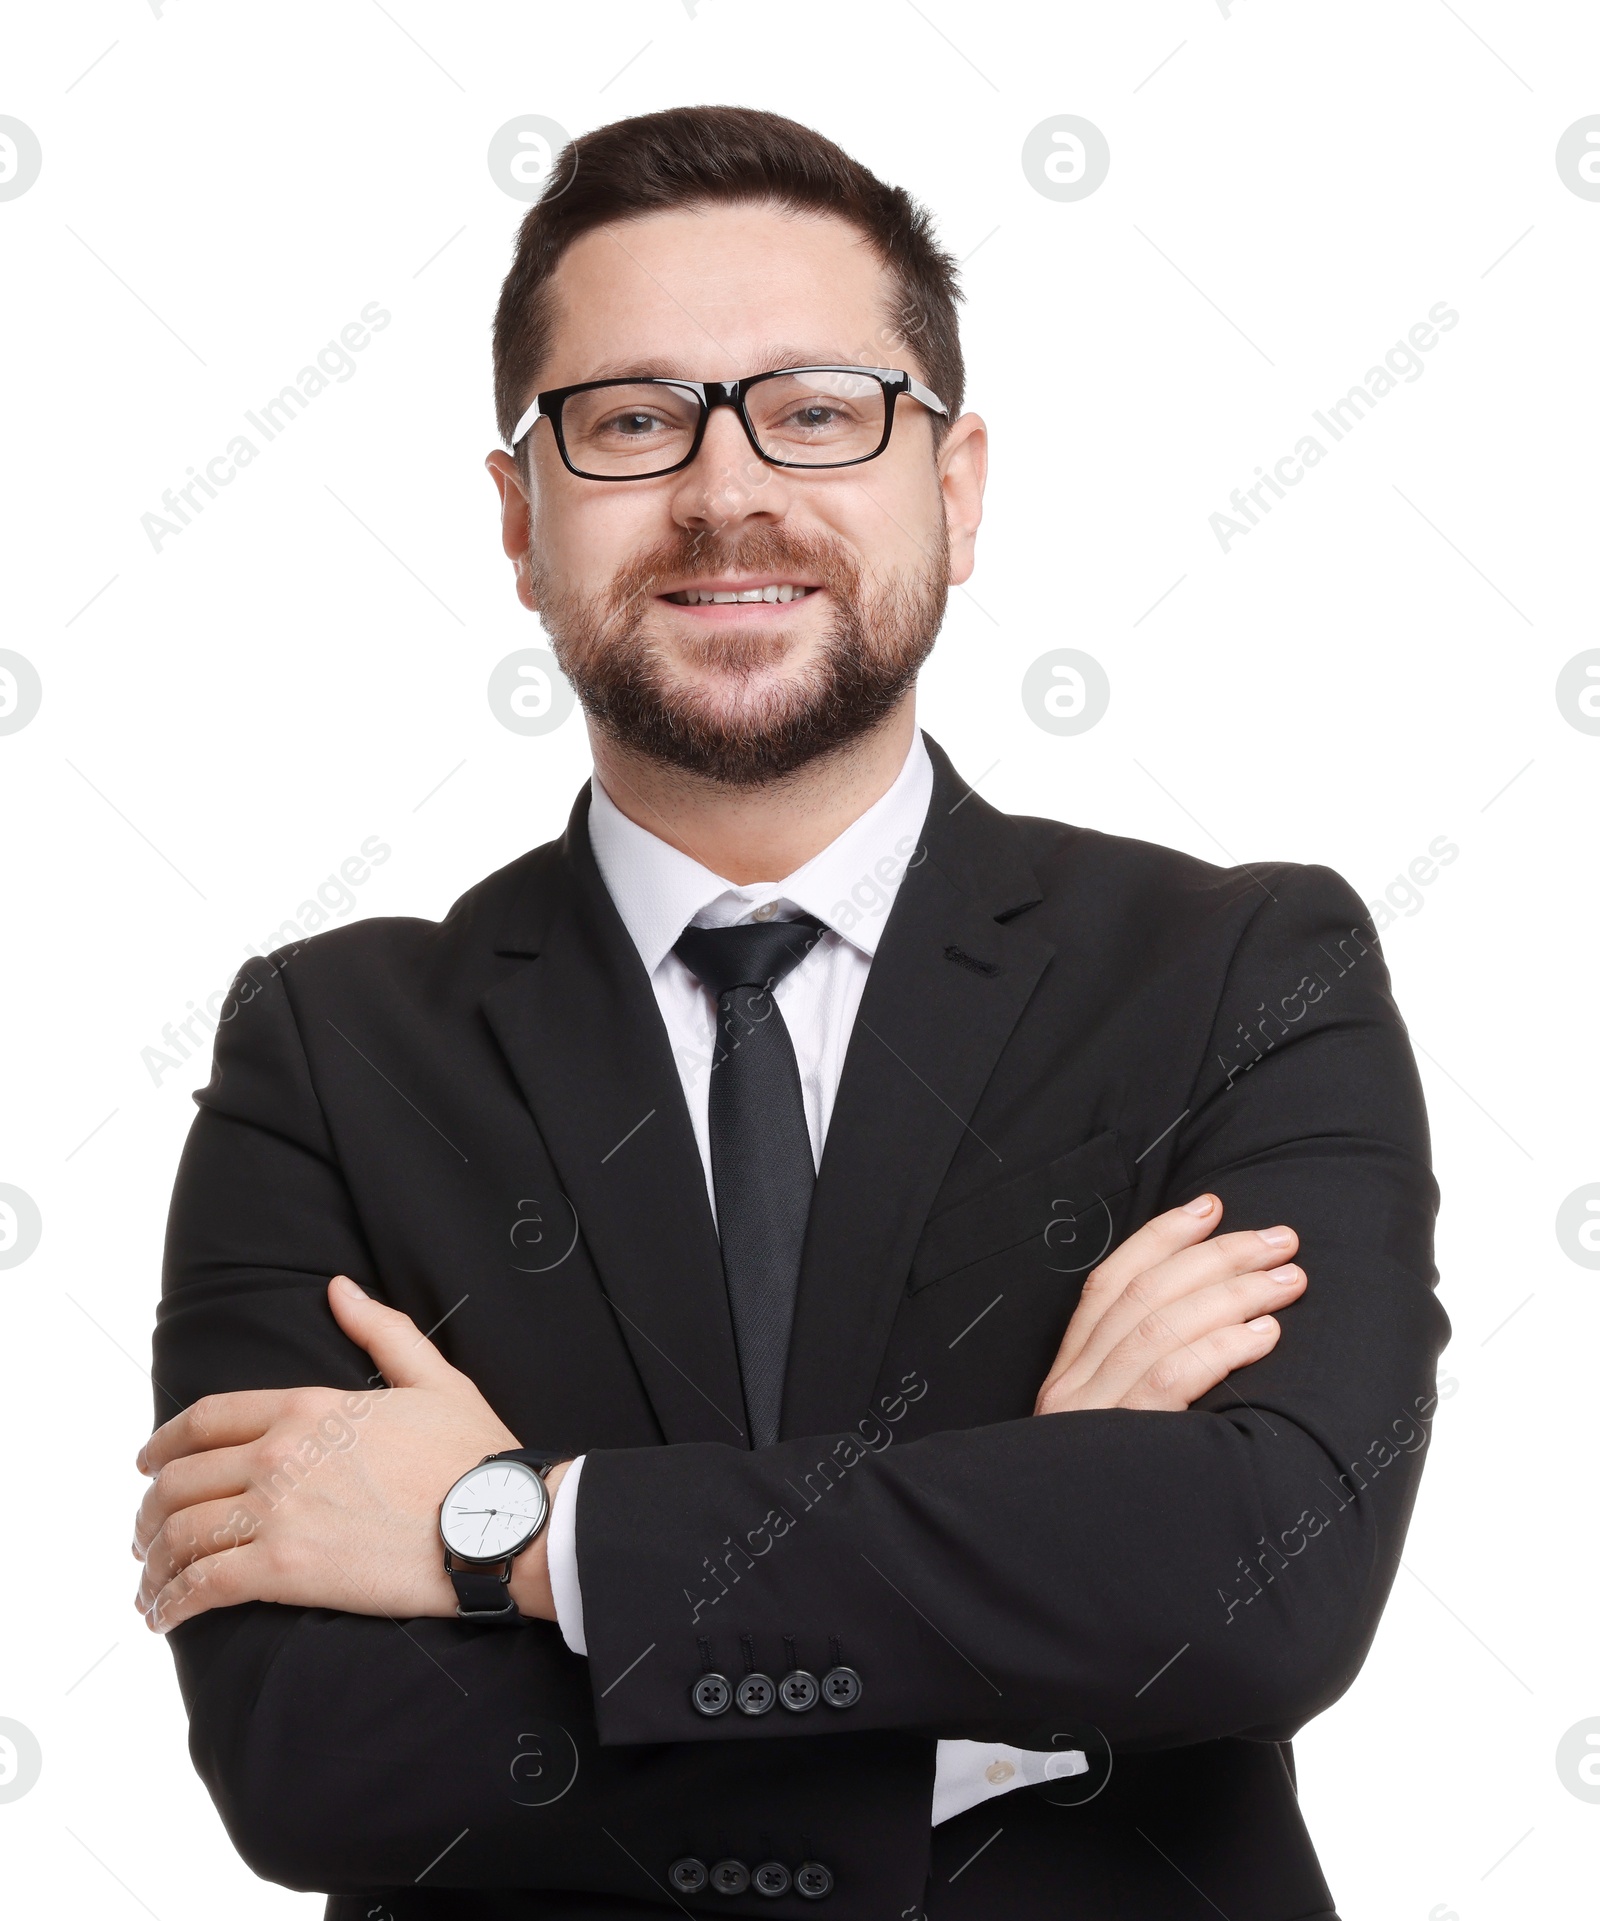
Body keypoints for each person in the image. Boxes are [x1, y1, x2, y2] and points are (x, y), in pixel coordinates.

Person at [134, 106, 1447, 1921]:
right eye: (631, 420)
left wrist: (509, 1529)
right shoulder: (334, 1049)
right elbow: (311, 1755)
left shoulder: (1245, 972)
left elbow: (1265, 1583)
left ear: (957, 488)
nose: (727, 489)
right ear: (519, 521)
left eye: (819, 409)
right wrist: (1030, 1653)